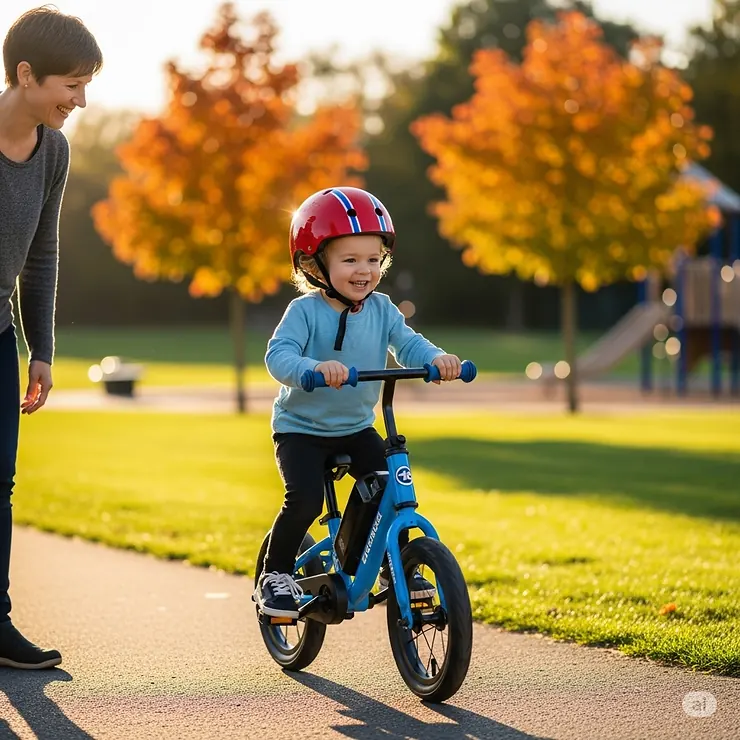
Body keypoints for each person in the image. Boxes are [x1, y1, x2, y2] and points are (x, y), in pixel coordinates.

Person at [255, 187, 462, 618]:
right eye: (349, 260)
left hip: (355, 425)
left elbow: (409, 344)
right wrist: (314, 368)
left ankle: (394, 565)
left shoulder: (383, 309)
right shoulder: (304, 312)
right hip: (302, 430)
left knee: (388, 486)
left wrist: (437, 360)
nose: (363, 271)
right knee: (306, 500)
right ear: (315, 265)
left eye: (373, 259)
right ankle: (274, 575)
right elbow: (279, 356)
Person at [0, 7, 102, 668]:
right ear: (25, 73)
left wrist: (42, 349)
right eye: (72, 83)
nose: (80, 100)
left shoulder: (53, 152)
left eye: (87, 85)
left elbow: (41, 256)